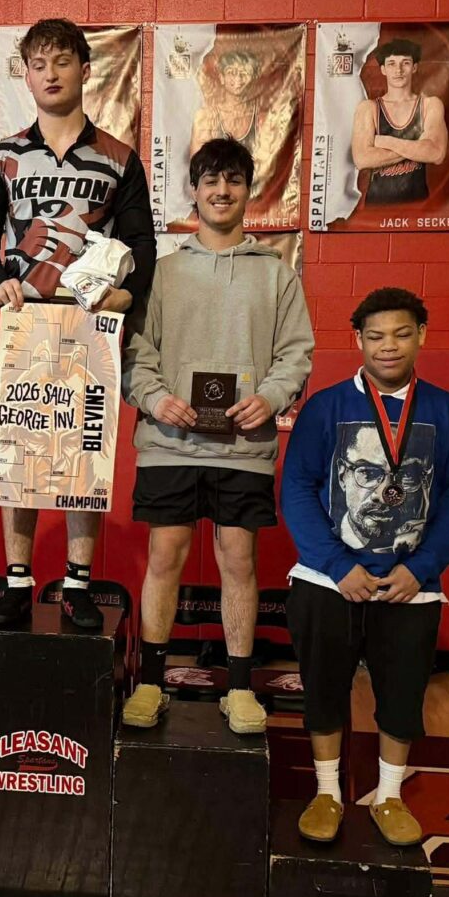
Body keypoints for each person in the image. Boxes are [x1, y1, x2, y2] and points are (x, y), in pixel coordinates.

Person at [0, 17, 156, 629]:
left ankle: (77, 584)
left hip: (89, 322)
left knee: (84, 451)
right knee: (20, 447)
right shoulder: (5, 156)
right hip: (27, 319)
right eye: (38, 64)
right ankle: (17, 583)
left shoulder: (118, 157)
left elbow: (143, 245)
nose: (50, 74)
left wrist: (126, 294)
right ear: (25, 75)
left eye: (62, 62)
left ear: (85, 69)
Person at [120, 138, 313, 735]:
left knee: (238, 560)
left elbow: (295, 355)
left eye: (233, 180)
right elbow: (136, 354)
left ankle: (240, 688)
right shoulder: (165, 272)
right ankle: (151, 681)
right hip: (168, 443)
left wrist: (271, 399)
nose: (221, 191)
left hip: (243, 449)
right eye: (210, 180)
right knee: (164, 557)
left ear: (248, 191)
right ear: (194, 191)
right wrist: (157, 399)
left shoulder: (277, 274)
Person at [280, 288, 449, 846]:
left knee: (402, 695)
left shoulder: (448, 411)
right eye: (375, 336)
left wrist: (423, 567)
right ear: (358, 340)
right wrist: (334, 564)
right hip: (330, 580)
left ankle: (389, 796)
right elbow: (296, 490)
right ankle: (327, 792)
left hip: (409, 584)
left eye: (400, 334)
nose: (387, 346)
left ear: (422, 336)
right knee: (323, 689)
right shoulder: (326, 407)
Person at [351, 39, 447, 205]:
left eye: (405, 63)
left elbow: (436, 154)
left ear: (414, 67)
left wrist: (383, 141)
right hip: (377, 207)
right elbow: (362, 159)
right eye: (391, 64)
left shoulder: (430, 105)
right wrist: (419, 146)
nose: (399, 70)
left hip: (419, 206)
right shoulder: (368, 108)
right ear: (383, 69)